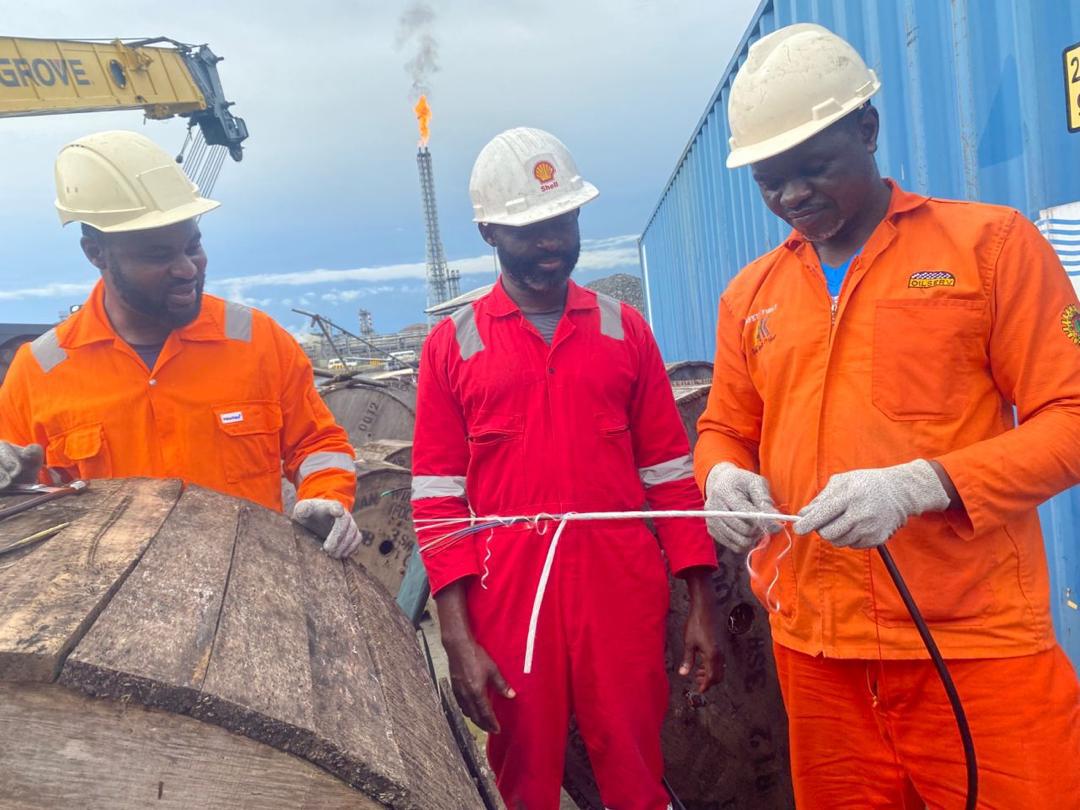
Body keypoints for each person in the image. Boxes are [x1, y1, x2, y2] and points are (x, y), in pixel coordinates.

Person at [695, 23, 1080, 808]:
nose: (793, 197)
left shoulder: (990, 248)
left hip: (976, 649)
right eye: (770, 182)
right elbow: (724, 427)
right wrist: (722, 475)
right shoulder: (752, 296)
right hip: (816, 656)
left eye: (814, 169)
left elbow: (1069, 417)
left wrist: (924, 483)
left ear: (867, 130)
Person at [411, 127, 722, 810]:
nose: (552, 241)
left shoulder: (624, 332)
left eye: (563, 220)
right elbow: (436, 500)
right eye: (529, 228)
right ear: (490, 232)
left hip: (620, 587)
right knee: (525, 776)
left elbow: (670, 472)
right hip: (511, 595)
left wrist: (701, 601)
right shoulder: (451, 348)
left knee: (636, 765)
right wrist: (458, 637)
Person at [0, 130, 361, 559]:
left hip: (253, 592)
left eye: (194, 246)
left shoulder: (256, 340)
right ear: (95, 253)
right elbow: (24, 500)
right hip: (108, 605)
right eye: (158, 255)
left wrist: (327, 497)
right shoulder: (39, 370)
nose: (187, 269)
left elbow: (317, 445)